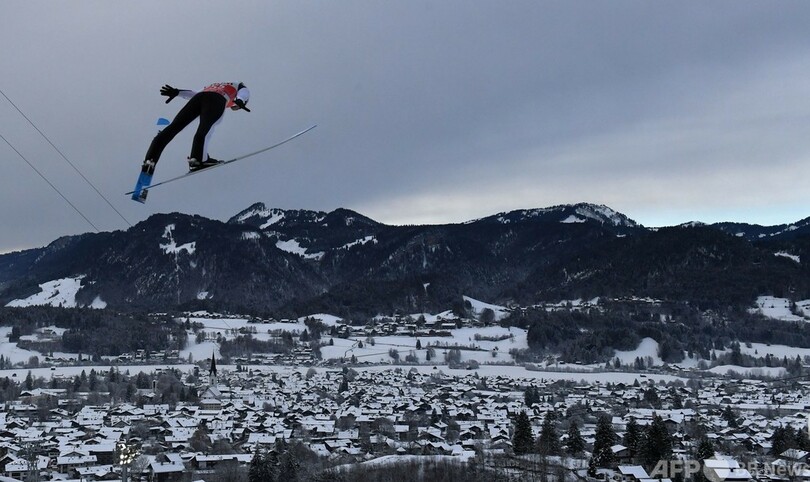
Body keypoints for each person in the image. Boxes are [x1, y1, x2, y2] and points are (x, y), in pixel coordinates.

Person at [141, 82, 250, 176]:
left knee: (173, 128)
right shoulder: (239, 85)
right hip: (216, 99)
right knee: (205, 130)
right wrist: (241, 100)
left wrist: (177, 92)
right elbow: (244, 92)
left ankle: (150, 160)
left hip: (199, 98)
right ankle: (197, 160)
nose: (232, 107)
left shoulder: (217, 85)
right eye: (234, 107)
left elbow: (194, 93)